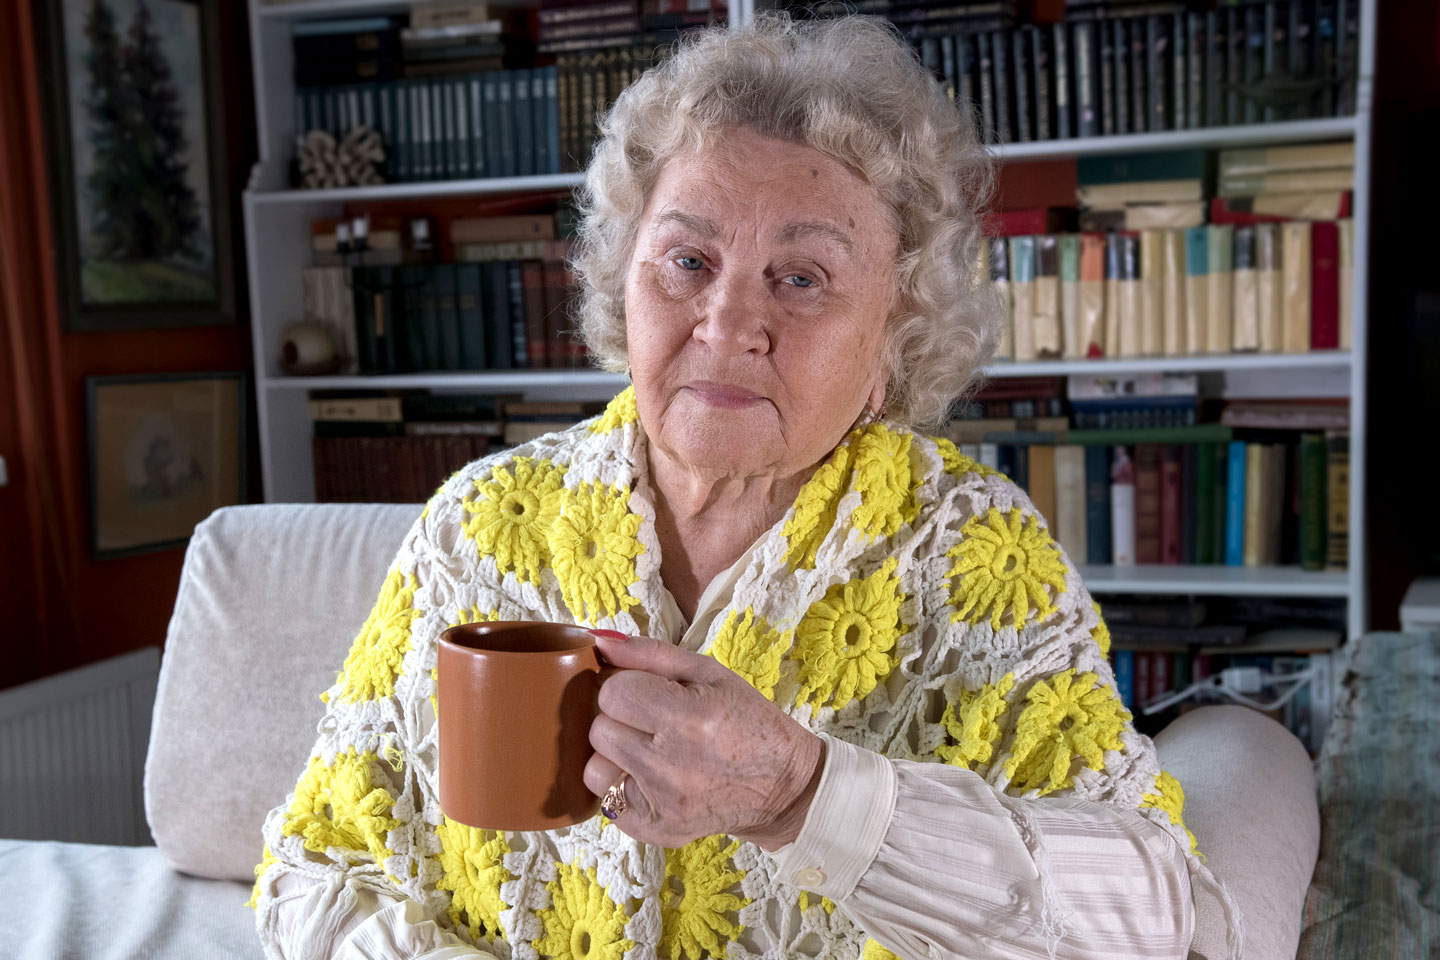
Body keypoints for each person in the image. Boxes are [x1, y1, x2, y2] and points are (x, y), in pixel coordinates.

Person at [252, 13, 1245, 960]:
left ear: (895, 332)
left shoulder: (973, 551)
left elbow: (1146, 918)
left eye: (801, 277)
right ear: (620, 281)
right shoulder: (478, 523)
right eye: (688, 260)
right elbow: (313, 867)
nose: (727, 322)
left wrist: (805, 795)